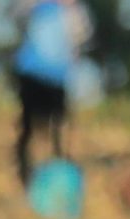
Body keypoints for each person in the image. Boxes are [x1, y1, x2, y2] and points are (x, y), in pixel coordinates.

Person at [10, 0, 85, 188]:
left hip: (57, 77)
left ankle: (57, 181)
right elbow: (16, 18)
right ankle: (24, 177)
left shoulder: (73, 9)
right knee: (28, 128)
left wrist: (70, 7)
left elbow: (82, 34)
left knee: (59, 130)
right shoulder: (31, 5)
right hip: (31, 74)